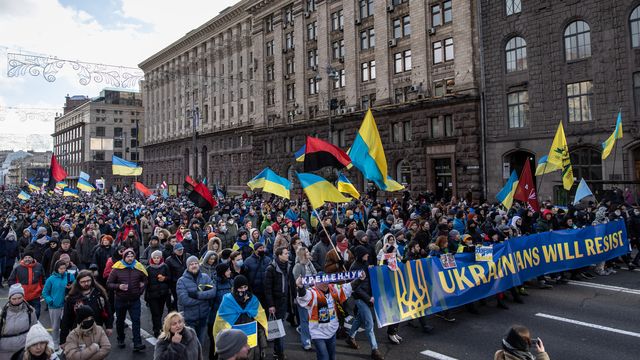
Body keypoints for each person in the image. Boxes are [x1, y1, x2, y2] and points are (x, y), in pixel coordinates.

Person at [295, 271, 363, 360]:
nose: (325, 284)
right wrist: (300, 287)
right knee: (324, 357)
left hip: (332, 331)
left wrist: (359, 279)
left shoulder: (333, 288)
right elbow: (304, 297)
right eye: (322, 282)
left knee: (332, 357)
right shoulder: (312, 292)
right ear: (316, 282)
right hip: (318, 333)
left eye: (326, 281)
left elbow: (347, 288)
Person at [213, 275, 268, 360]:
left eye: (245, 287)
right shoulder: (227, 301)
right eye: (240, 288)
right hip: (234, 345)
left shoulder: (253, 300)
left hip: (252, 344)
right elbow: (221, 325)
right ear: (235, 288)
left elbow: (260, 325)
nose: (243, 290)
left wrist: (263, 346)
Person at [107, 248, 148, 351]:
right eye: (128, 256)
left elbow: (145, 280)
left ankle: (137, 343)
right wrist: (119, 286)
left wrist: (141, 290)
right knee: (120, 321)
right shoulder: (117, 268)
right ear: (124, 257)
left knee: (136, 321)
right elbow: (109, 284)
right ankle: (120, 338)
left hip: (134, 300)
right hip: (120, 300)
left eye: (132, 256)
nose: (130, 258)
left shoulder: (138, 267)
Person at [60, 270, 113, 347]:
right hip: (79, 333)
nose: (86, 283)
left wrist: (109, 326)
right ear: (78, 282)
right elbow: (66, 318)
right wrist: (63, 339)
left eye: (88, 281)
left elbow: (107, 310)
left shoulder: (99, 293)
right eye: (83, 282)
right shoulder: (72, 298)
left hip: (96, 330)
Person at [177, 255, 217, 345]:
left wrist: (197, 295)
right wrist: (204, 299)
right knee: (191, 345)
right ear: (187, 266)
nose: (194, 265)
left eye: (196, 263)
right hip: (189, 319)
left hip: (203, 317)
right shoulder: (181, 281)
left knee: (200, 344)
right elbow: (185, 300)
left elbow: (213, 292)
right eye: (191, 264)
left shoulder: (205, 277)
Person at [264, 247, 290, 360]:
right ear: (279, 255)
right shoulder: (271, 268)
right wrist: (271, 305)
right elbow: (267, 288)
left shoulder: (288, 266)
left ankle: (277, 351)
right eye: (285, 253)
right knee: (279, 329)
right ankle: (280, 353)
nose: (287, 255)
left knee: (279, 327)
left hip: (285, 301)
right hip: (276, 302)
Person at [42, 260, 74, 349]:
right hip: (54, 306)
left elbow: (76, 287)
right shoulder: (51, 279)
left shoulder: (70, 276)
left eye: (64, 268)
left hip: (67, 305)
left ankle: (67, 341)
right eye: (61, 268)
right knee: (55, 326)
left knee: (67, 325)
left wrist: (72, 286)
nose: (63, 270)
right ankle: (55, 342)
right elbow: (45, 292)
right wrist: (50, 301)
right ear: (56, 269)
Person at [0, 284, 38, 356]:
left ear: (23, 297)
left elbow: (34, 331)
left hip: (24, 351)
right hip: (5, 352)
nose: (17, 301)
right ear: (9, 298)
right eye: (14, 299)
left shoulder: (30, 311)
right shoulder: (2, 313)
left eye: (19, 298)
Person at [291, 246, 316, 351]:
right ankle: (306, 341)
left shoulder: (310, 263)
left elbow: (315, 274)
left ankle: (302, 328)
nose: (309, 253)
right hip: (303, 295)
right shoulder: (297, 266)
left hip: (312, 294)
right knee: (305, 319)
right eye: (307, 252)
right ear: (302, 254)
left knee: (311, 318)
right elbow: (297, 282)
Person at [8, 251, 44, 319]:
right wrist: (15, 292)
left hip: (35, 295)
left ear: (33, 258)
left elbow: (42, 279)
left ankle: (34, 326)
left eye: (29, 257)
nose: (27, 259)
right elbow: (11, 280)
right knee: (22, 315)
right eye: (25, 257)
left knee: (36, 313)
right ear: (23, 259)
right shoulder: (18, 268)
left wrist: (42, 290)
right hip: (22, 297)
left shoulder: (39, 266)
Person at [145, 250, 172, 337]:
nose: (156, 259)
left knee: (160, 312)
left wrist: (164, 278)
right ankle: (157, 330)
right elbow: (146, 282)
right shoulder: (148, 268)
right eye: (154, 258)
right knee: (155, 313)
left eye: (158, 258)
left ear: (161, 258)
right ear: (152, 259)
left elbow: (169, 278)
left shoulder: (165, 266)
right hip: (152, 295)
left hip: (162, 294)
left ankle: (158, 327)